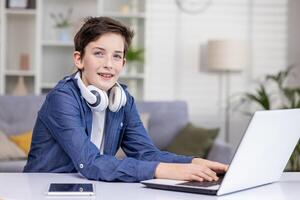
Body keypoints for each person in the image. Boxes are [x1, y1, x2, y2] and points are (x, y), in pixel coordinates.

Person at [24, 16, 228, 182]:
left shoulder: (123, 100)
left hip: (92, 186)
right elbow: (90, 163)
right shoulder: (62, 98)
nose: (109, 64)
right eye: (99, 53)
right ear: (79, 59)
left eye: (116, 56)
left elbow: (146, 153)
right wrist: (163, 170)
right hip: (44, 187)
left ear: (123, 62)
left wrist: (192, 162)